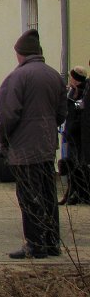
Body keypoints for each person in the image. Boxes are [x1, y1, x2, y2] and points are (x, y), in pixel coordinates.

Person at [0, 29, 66, 258]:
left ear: (21, 53)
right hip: (47, 146)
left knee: (29, 196)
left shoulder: (17, 77)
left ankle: (35, 244)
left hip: (24, 148)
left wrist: (3, 139)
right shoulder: (54, 76)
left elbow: (8, 115)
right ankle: (52, 242)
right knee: (47, 195)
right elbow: (62, 112)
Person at [63, 66, 89, 204]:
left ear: (75, 78)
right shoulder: (73, 91)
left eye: (71, 77)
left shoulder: (83, 92)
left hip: (77, 135)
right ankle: (73, 192)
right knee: (71, 164)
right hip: (71, 132)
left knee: (76, 165)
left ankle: (78, 193)